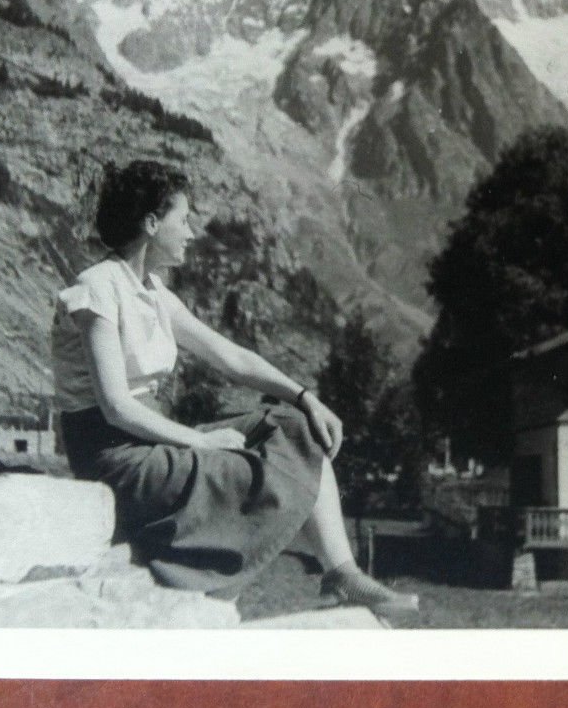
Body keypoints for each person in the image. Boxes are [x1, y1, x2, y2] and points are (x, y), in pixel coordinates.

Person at [50, 159, 417, 619]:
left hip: (153, 440)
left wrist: (305, 397)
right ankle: (215, 584)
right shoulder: (97, 289)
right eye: (184, 219)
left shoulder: (153, 292)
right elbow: (116, 407)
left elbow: (232, 358)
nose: (191, 232)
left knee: (296, 426)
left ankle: (342, 574)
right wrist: (202, 442)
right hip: (117, 458)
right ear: (151, 223)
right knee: (243, 467)